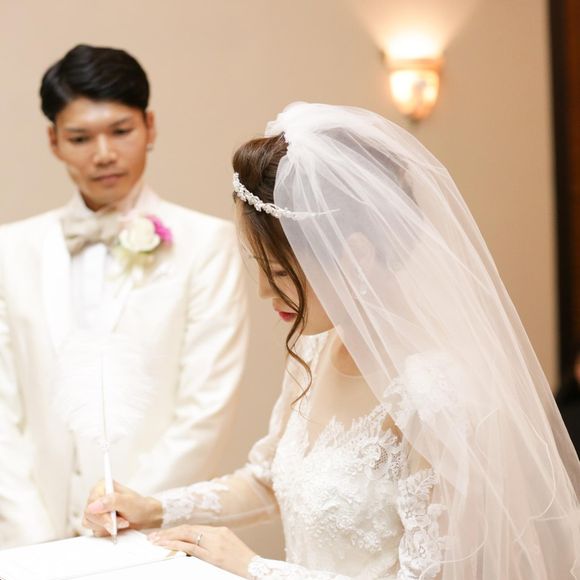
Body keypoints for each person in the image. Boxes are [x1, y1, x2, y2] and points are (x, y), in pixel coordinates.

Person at [83, 103, 580, 579]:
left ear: (357, 255)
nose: (264, 292)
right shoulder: (315, 348)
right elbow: (268, 481)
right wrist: (153, 508)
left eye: (280, 272)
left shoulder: (436, 396)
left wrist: (253, 568)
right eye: (261, 268)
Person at [0, 44, 248, 548]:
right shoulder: (10, 249)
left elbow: (205, 407)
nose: (103, 154)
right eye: (80, 137)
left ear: (150, 127)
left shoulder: (207, 244)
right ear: (53, 141)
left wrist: (132, 513)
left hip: (153, 535)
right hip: (31, 540)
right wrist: (31, 534)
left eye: (120, 131)